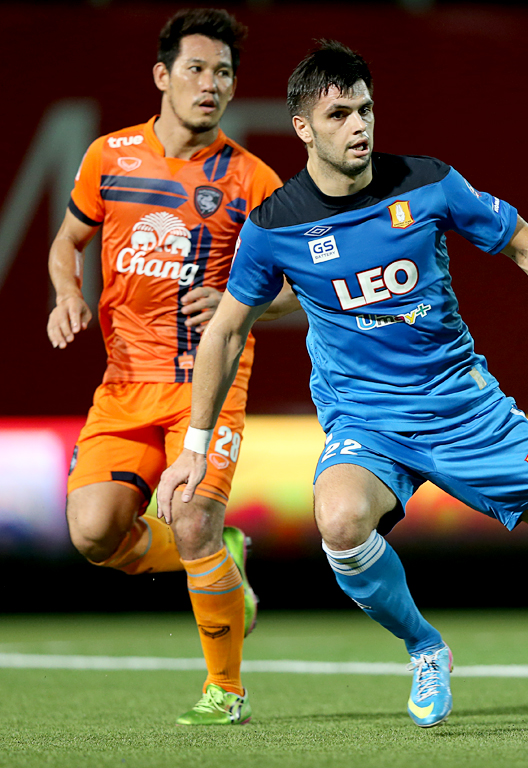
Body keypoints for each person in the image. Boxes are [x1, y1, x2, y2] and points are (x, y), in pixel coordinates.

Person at [158, 40, 528, 731]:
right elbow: (227, 332)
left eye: (366, 109)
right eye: (339, 115)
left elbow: (527, 244)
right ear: (303, 128)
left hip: (468, 412)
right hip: (367, 421)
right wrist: (195, 448)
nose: (359, 126)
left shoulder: (428, 182)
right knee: (340, 522)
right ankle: (425, 647)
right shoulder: (274, 227)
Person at [47, 8, 287, 726]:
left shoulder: (253, 180)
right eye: (197, 69)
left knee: (191, 519)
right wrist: (67, 293)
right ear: (162, 75)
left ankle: (226, 691)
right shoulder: (109, 157)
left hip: (205, 387)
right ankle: (221, 554)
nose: (211, 85)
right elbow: (66, 243)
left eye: (224, 73)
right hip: (123, 386)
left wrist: (242, 304)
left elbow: (307, 285)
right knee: (94, 534)